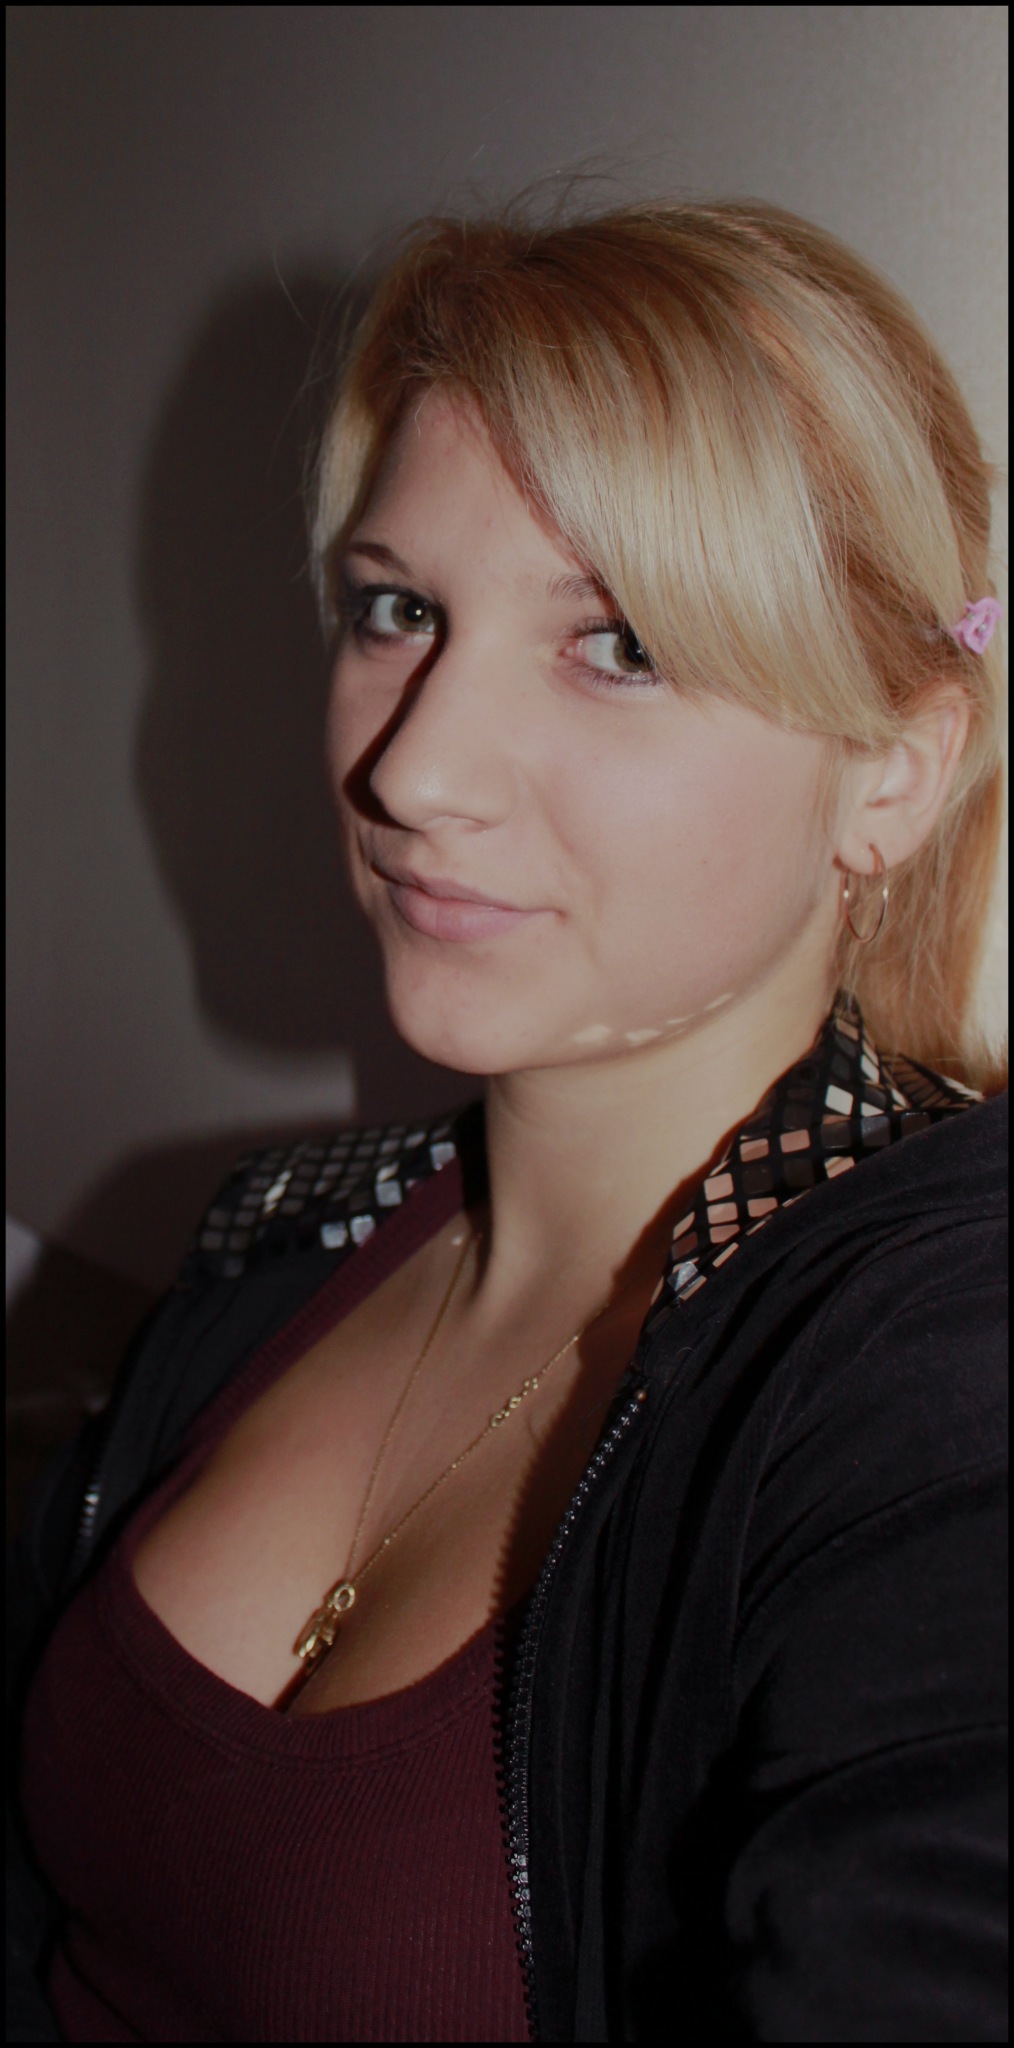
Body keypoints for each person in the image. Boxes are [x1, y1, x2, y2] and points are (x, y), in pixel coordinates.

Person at [7, 194, 1007, 2044]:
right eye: (398, 611)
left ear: (892, 770)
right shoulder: (277, 1236)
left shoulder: (929, 1353)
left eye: (616, 643)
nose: (412, 769)